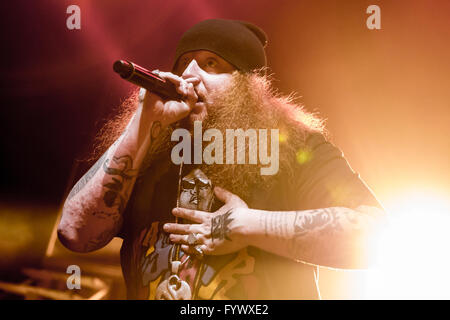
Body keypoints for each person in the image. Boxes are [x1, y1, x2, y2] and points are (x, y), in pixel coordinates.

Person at [58, 19, 386, 299]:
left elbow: (375, 236)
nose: (189, 74)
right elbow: (75, 233)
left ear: (246, 83)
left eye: (211, 62)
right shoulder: (148, 149)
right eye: (183, 62)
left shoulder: (294, 147)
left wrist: (247, 226)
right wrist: (142, 124)